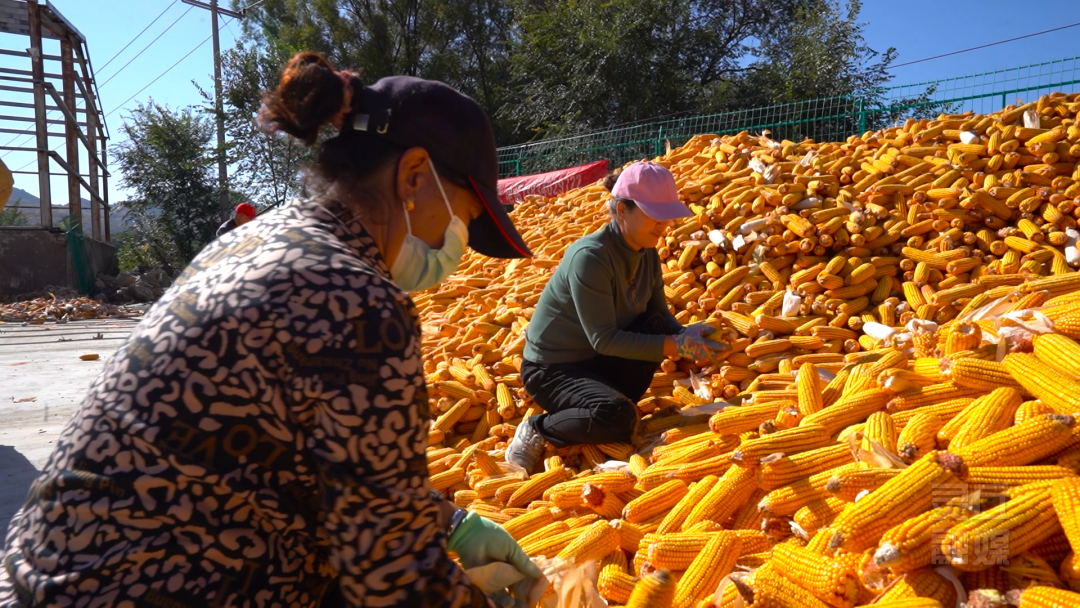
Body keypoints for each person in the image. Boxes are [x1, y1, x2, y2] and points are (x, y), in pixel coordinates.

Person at [0, 52, 543, 608]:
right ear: (413, 176)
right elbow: (391, 575)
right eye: (465, 217)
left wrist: (448, 523)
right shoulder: (356, 300)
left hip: (43, 576)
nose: (459, 242)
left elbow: (303, 464)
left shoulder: (261, 239)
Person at [506, 162, 726, 474]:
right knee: (618, 416)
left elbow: (659, 317)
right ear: (622, 210)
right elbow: (604, 339)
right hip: (553, 369)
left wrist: (690, 337)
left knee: (655, 330)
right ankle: (538, 428)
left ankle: (598, 407)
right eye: (654, 214)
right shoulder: (590, 258)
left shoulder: (647, 252)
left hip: (597, 360)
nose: (664, 225)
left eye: (667, 215)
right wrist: (676, 345)